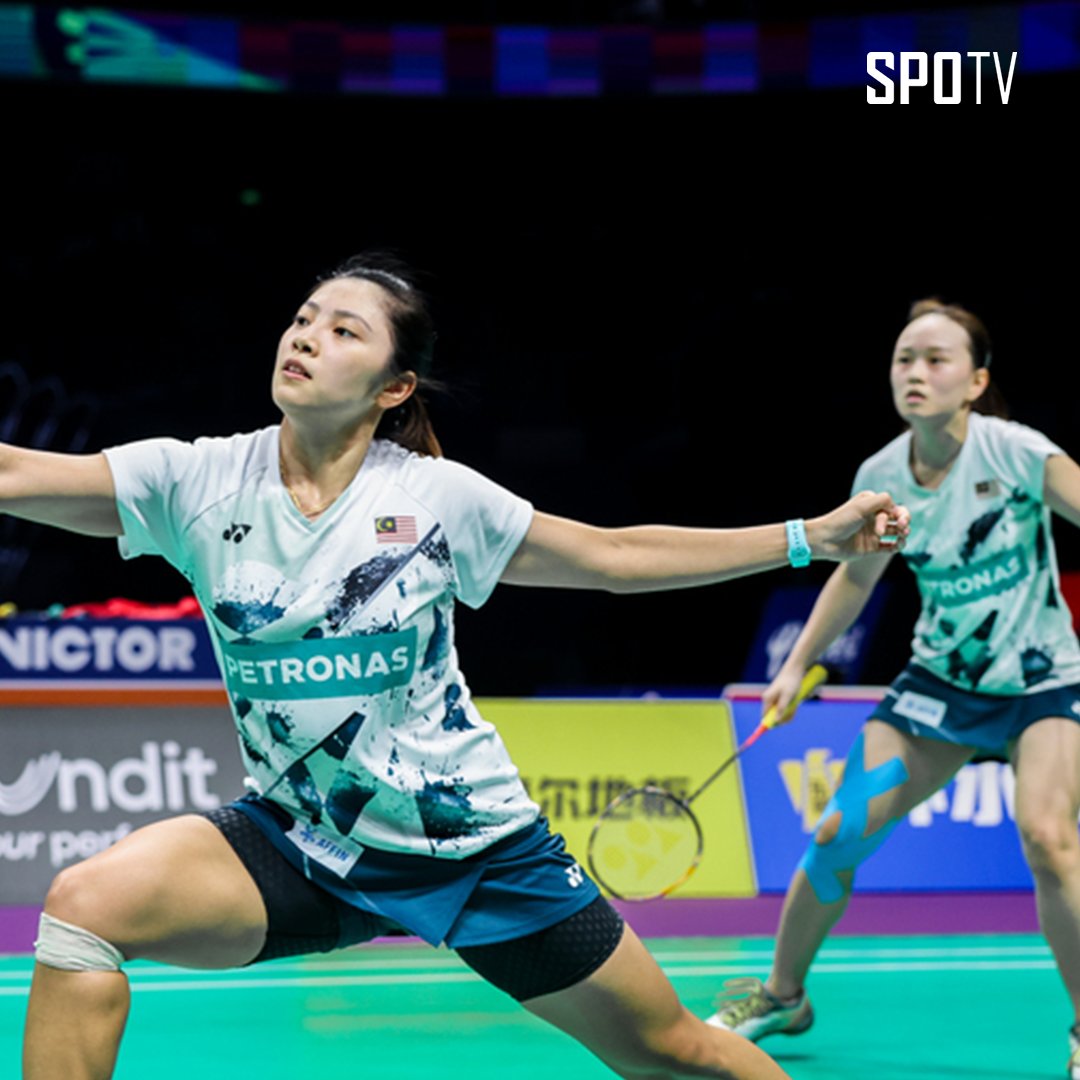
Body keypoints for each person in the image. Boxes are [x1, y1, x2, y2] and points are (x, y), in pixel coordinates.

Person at [8, 251, 908, 1080]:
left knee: (674, 1051)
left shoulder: (433, 498)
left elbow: (613, 557)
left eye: (343, 330)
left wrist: (808, 539)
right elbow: (13, 473)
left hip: (471, 847)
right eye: (304, 318)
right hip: (303, 840)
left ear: (393, 386)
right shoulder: (193, 481)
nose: (307, 336)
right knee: (85, 908)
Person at [706, 297, 1080, 1077]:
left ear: (976, 382)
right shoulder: (881, 475)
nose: (915, 372)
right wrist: (794, 666)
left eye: (936, 360)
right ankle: (783, 995)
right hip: (938, 687)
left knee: (1048, 837)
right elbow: (856, 577)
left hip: (1044, 683)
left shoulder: (1016, 452)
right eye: (904, 359)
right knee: (839, 833)